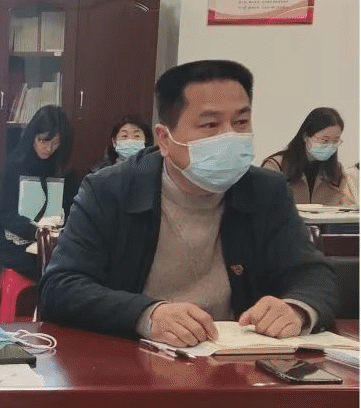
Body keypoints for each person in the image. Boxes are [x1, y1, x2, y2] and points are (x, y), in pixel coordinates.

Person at [38, 60, 337, 348]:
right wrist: (146, 315)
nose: (230, 136)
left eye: (241, 122)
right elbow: (60, 287)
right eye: (210, 124)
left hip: (237, 364)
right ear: (164, 139)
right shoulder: (109, 190)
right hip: (133, 360)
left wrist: (297, 308)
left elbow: (315, 275)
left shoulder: (267, 191)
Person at [0, 105, 78, 279]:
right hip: (20, 243)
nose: (49, 148)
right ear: (32, 136)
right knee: (40, 268)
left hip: (55, 242)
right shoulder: (14, 166)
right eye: (43, 141)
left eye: (55, 143)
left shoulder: (65, 170)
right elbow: (6, 214)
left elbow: (73, 211)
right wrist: (35, 232)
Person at [261, 107, 357, 206]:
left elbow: (346, 206)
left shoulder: (337, 171)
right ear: (305, 136)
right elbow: (263, 205)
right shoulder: (276, 166)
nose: (330, 146)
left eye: (336, 141)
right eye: (324, 140)